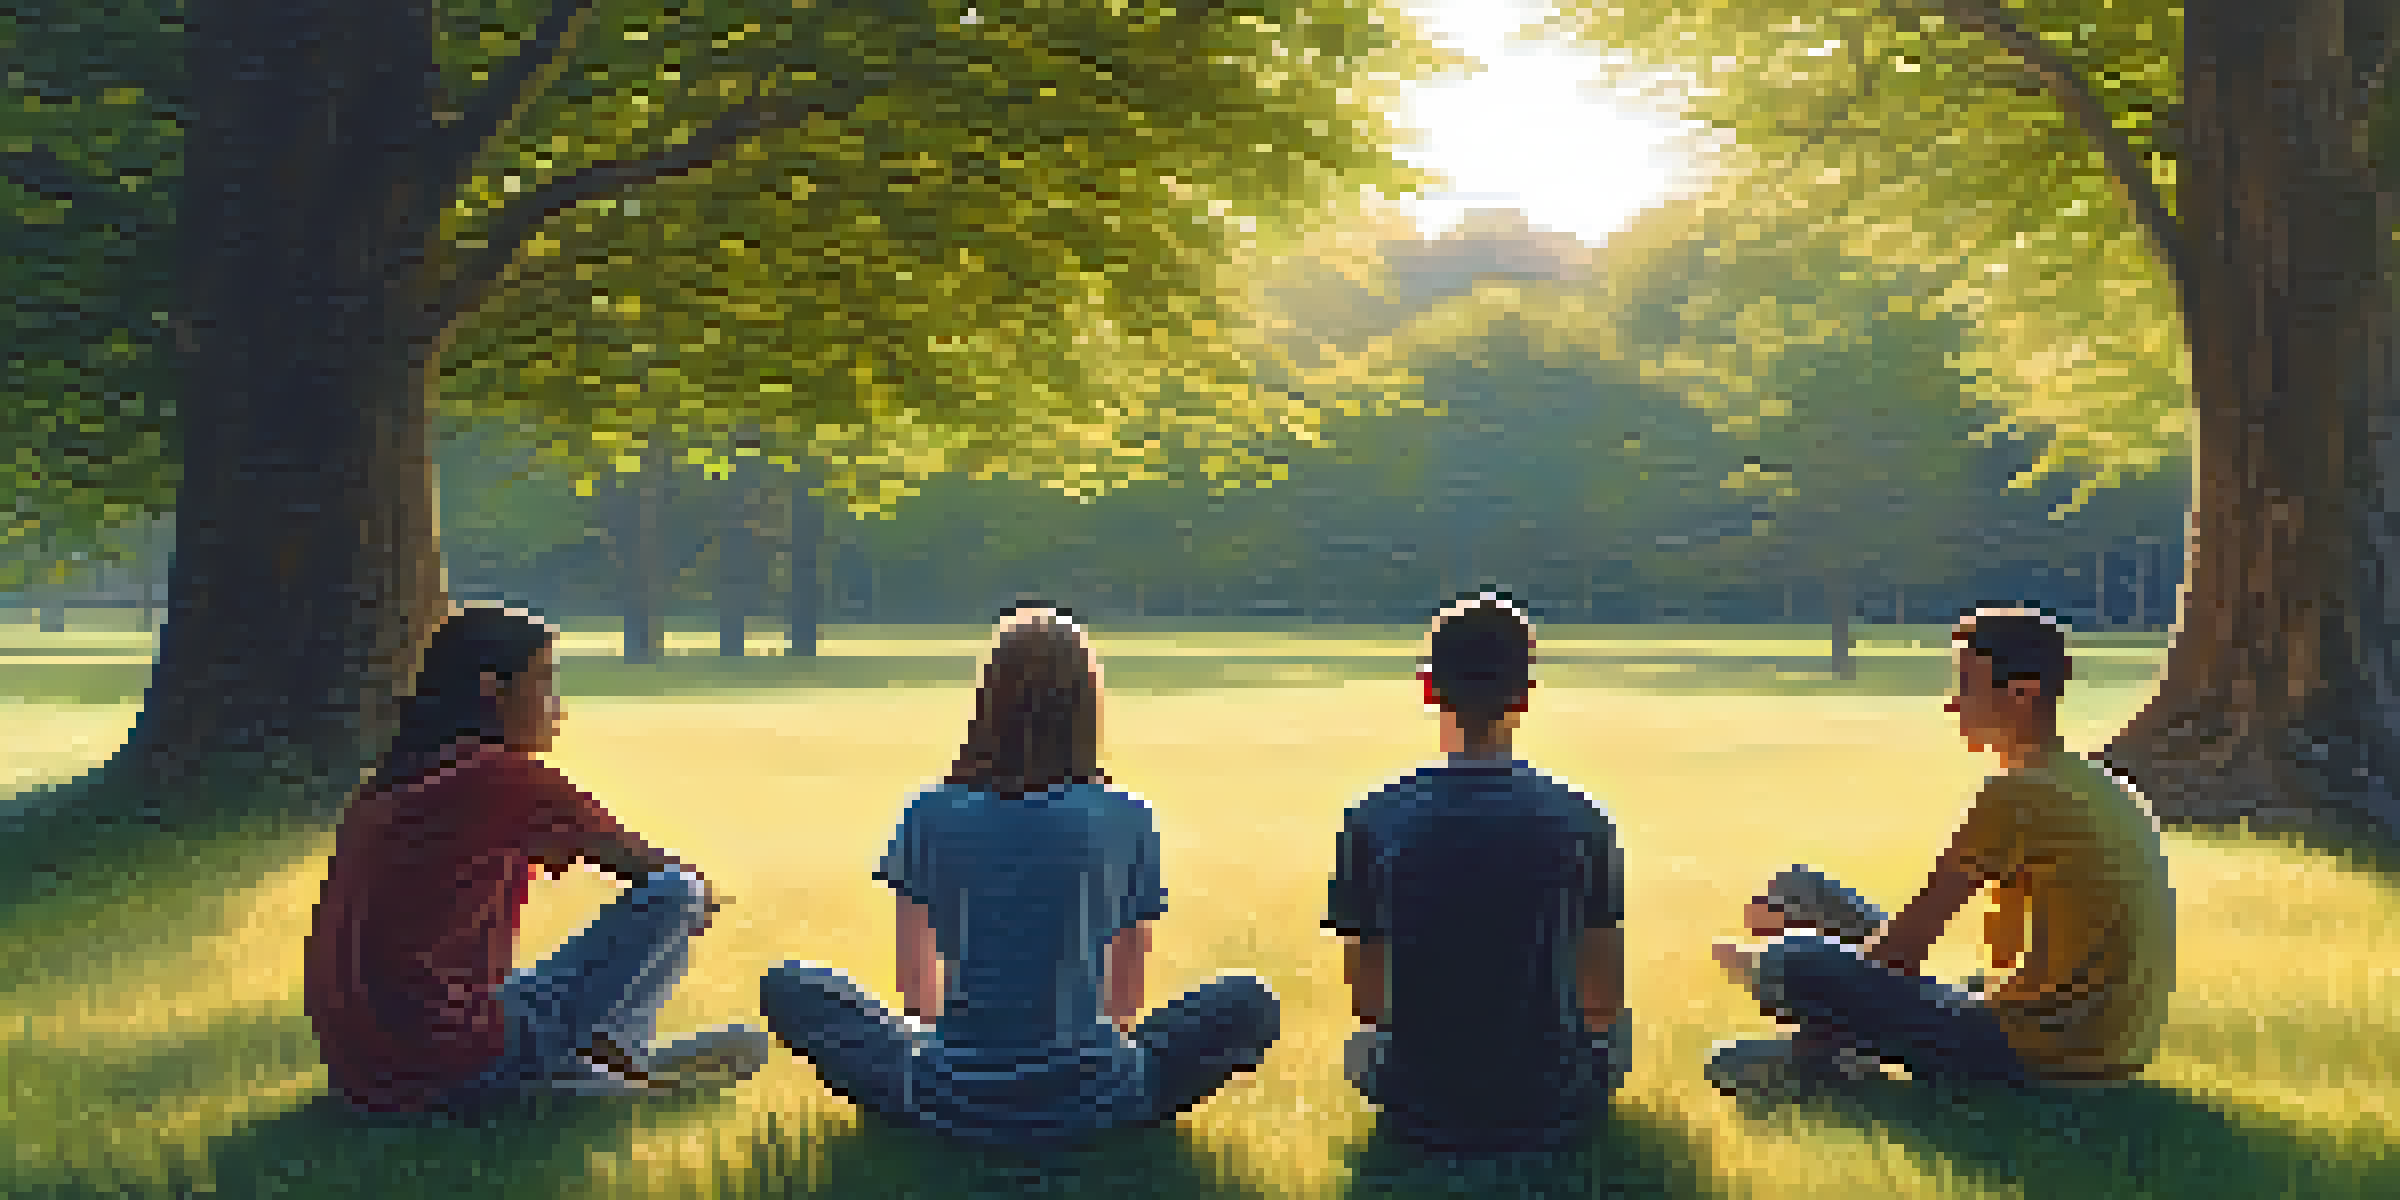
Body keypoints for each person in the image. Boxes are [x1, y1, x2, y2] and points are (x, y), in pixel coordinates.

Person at [759, 604, 1281, 1152]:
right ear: (1085, 703)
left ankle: (965, 1092)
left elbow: (916, 987)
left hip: (949, 1095)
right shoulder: (1126, 816)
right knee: (1248, 1002)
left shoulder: (930, 812)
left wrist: (954, 1057)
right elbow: (1126, 996)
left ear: (989, 699)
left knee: (791, 984)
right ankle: (1092, 1106)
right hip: (1100, 1096)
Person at [305, 603, 771, 1117]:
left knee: (522, 994)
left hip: (361, 1072)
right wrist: (700, 900)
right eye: (544, 683)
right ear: (492, 689)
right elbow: (656, 870)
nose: (557, 706)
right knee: (675, 893)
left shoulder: (386, 790)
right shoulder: (509, 781)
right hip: (450, 1058)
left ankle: (593, 1065)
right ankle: (603, 1071)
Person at [1706, 607, 2176, 1106]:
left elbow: (1902, 949)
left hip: (2039, 1055)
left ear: (2021, 696)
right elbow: (1998, 952)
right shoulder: (2093, 785)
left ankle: (1828, 1056)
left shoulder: (2018, 795)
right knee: (1803, 892)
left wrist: (1783, 974)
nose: (1952, 705)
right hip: (2103, 1048)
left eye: (1967, 686)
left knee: (1794, 964)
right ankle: (1835, 1045)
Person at [1327, 590, 1630, 1154]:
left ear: (1427, 688)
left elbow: (1369, 1002)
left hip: (1419, 1104)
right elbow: (1603, 999)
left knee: (1357, 1049)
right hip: (1553, 1102)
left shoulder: (1373, 817)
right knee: (1622, 1029)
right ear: (1526, 695)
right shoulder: (1582, 817)